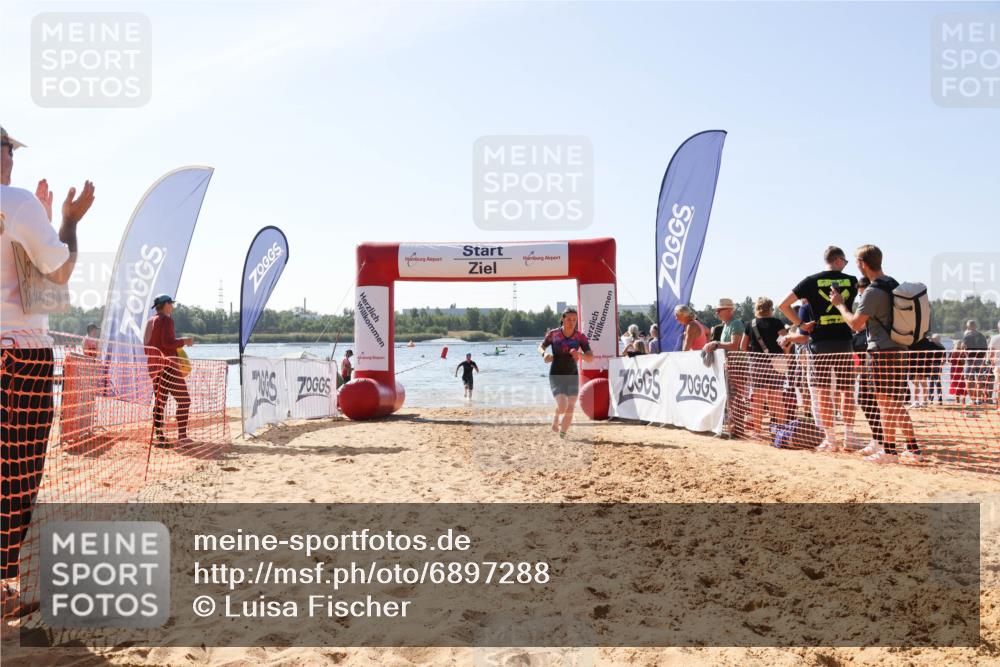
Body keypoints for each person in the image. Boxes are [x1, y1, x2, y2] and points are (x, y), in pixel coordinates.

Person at [1, 126, 95, 616]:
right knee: (17, 473)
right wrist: (66, 220)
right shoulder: (14, 202)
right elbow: (59, 277)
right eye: (9, 150)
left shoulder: (17, 208)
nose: (12, 159)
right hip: (19, 354)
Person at [830, 244, 921, 464]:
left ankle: (889, 452)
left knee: (885, 402)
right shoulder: (893, 284)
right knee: (895, 401)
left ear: (862, 263)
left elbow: (855, 324)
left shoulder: (872, 292)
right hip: (900, 347)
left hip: (881, 351)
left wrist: (840, 304)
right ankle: (913, 449)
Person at [778, 246, 858, 451]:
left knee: (822, 392)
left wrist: (801, 325)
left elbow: (783, 305)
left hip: (819, 342)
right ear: (839, 260)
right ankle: (849, 437)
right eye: (845, 261)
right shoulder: (851, 281)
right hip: (844, 341)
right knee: (846, 391)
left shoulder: (810, 281)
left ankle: (830, 440)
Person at [144, 294, 194, 449]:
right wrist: (184, 341)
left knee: (160, 402)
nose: (172, 307)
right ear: (165, 305)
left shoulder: (149, 322)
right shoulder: (166, 320)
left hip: (154, 367)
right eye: (171, 304)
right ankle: (182, 437)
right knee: (184, 400)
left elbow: (146, 346)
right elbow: (167, 342)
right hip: (168, 367)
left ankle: (159, 436)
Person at [539, 307, 593, 438]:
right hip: (556, 373)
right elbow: (541, 346)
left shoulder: (580, 337)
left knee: (571, 405)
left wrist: (579, 354)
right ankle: (556, 416)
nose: (571, 322)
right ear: (562, 319)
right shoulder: (554, 334)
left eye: (574, 320)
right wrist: (544, 354)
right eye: (568, 319)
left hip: (572, 374)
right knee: (562, 406)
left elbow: (590, 358)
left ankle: (562, 434)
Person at [741, 297, 788, 439]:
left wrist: (754, 354)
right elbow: (786, 342)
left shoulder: (750, 324)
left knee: (758, 399)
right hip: (777, 362)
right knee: (777, 398)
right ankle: (781, 430)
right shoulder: (778, 322)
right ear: (770, 308)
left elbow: (743, 347)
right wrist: (785, 357)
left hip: (757, 363)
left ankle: (757, 431)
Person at [962, 320, 989, 407]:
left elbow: (964, 348)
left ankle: (973, 400)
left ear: (968, 327)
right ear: (976, 326)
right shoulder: (982, 336)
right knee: (979, 380)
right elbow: (986, 348)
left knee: (968, 380)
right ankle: (979, 399)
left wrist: (966, 356)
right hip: (980, 360)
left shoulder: (966, 336)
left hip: (970, 360)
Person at [990, 321, 1000, 412]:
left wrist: (992, 365)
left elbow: (991, 354)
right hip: (997, 365)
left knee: (998, 386)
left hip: (998, 365)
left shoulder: (994, 338)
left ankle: (998, 406)